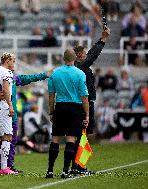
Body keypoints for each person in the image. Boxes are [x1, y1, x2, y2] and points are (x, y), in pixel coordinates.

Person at [0, 67, 53, 173]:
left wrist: (44, 75)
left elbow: (28, 78)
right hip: (3, 114)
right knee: (1, 140)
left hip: (12, 116)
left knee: (11, 141)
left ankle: (6, 166)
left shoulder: (13, 79)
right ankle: (1, 167)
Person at [46, 48, 89, 179]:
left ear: (63, 59)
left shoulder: (55, 74)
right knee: (71, 138)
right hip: (75, 108)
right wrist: (86, 114)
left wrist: (51, 112)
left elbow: (51, 96)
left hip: (60, 106)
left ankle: (50, 170)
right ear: (75, 58)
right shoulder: (80, 74)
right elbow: (84, 96)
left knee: (55, 138)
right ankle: (65, 171)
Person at [72, 26, 110, 174]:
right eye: (80, 55)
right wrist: (103, 39)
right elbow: (93, 55)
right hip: (83, 104)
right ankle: (79, 166)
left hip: (84, 103)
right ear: (75, 57)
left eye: (83, 54)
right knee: (81, 134)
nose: (84, 56)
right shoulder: (79, 67)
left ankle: (78, 165)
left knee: (81, 134)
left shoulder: (81, 66)